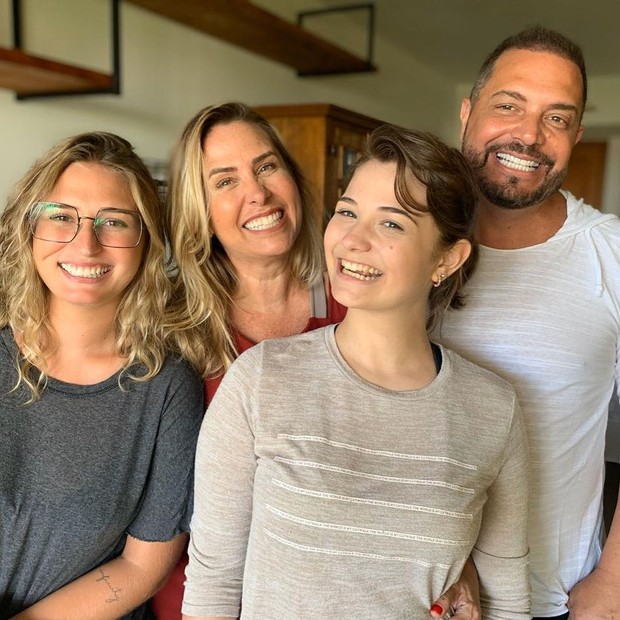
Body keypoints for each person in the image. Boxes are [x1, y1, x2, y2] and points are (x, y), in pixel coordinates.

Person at [181, 124, 531, 619]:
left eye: (391, 223)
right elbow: (214, 583)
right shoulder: (260, 379)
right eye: (346, 211)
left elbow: (508, 599)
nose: (352, 238)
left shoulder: (492, 408)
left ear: (447, 259)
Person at [433, 26, 620, 619]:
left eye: (557, 118)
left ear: (577, 137)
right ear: (468, 112)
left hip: (555, 597)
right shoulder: (406, 242)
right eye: (508, 105)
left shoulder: (612, 256)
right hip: (408, 589)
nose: (530, 135)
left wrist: (613, 584)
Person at [0, 132, 204, 619]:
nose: (85, 244)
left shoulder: (168, 387)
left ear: (146, 241)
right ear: (29, 229)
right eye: (61, 217)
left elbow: (142, 566)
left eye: (113, 222)